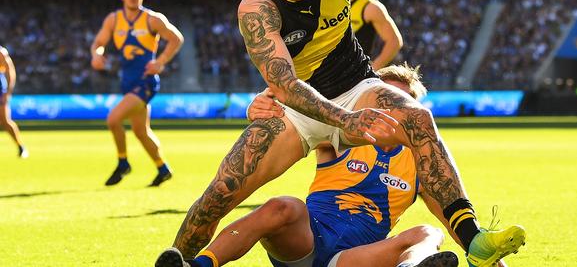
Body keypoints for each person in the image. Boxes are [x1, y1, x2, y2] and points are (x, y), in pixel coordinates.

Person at [162, 0, 525, 267]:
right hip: (298, 107)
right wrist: (338, 116)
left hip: (355, 85)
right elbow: (286, 83)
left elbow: (326, 33)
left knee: (418, 117)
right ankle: (177, 260)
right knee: (221, 191)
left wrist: (347, 109)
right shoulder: (257, 10)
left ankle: (474, 240)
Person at [156, 64, 459, 267]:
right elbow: (296, 105)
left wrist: (488, 256)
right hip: (306, 242)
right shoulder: (340, 133)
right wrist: (261, 103)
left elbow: (452, 215)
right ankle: (198, 265)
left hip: (354, 259)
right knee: (283, 206)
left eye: (402, 102)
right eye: (386, 98)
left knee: (428, 232)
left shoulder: (421, 164)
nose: (391, 108)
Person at [90, 0, 184, 187]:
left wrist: (160, 61)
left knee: (113, 119)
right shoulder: (113, 19)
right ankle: (162, 168)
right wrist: (97, 54)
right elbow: (98, 42)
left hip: (146, 82)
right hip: (128, 82)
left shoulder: (153, 19)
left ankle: (123, 162)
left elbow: (176, 38)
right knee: (141, 131)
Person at [350, 0, 403, 70]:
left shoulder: (371, 7)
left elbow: (394, 41)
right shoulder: (333, 2)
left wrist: (373, 69)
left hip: (356, 77)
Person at [0, 45, 28, 158]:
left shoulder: (1, 52)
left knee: (5, 120)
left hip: (0, 90)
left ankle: (21, 146)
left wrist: (8, 92)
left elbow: (10, 70)